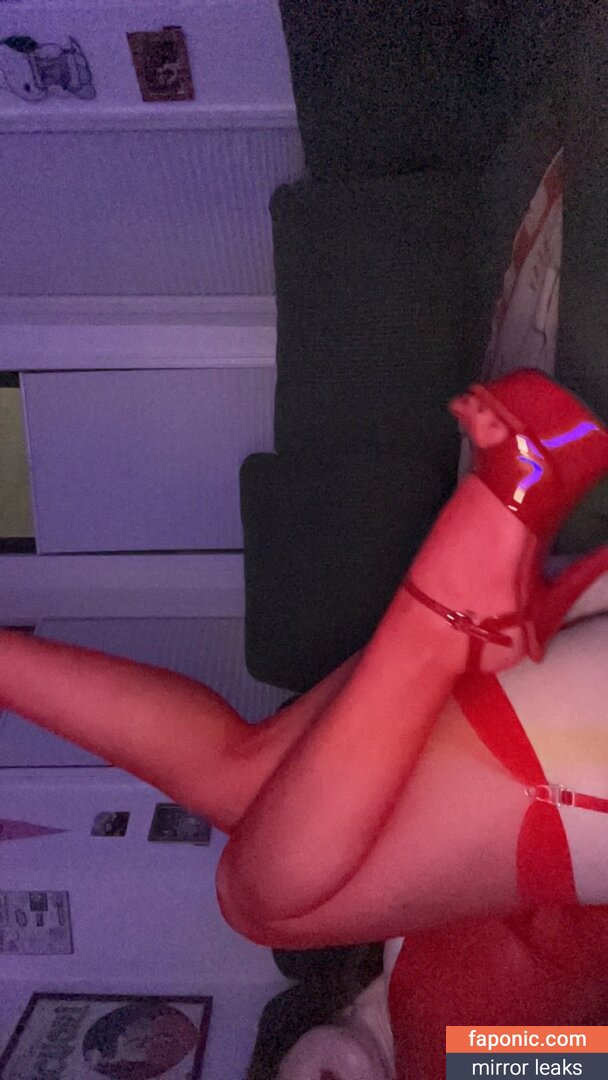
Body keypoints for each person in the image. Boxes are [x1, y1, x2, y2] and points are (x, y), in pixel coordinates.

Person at [0, 371, 606, 1075]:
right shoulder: (459, 1064)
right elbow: (589, 1062)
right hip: (576, 766)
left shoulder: (379, 925)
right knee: (259, 903)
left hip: (552, 710)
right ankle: (455, 610)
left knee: (243, 783)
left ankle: (459, 611)